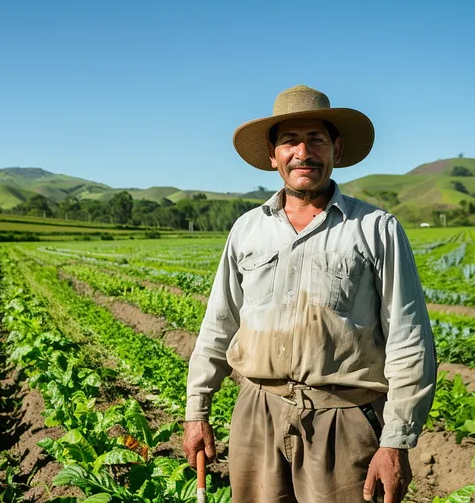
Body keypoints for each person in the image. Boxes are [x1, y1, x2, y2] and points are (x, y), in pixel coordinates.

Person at [182, 85, 436, 503]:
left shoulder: (375, 229)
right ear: (273, 156)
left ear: (335, 149)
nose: (303, 152)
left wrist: (396, 441)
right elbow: (219, 325)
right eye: (289, 141)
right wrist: (197, 412)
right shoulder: (247, 229)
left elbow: (410, 340)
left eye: (316, 139)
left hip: (344, 419)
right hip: (257, 413)